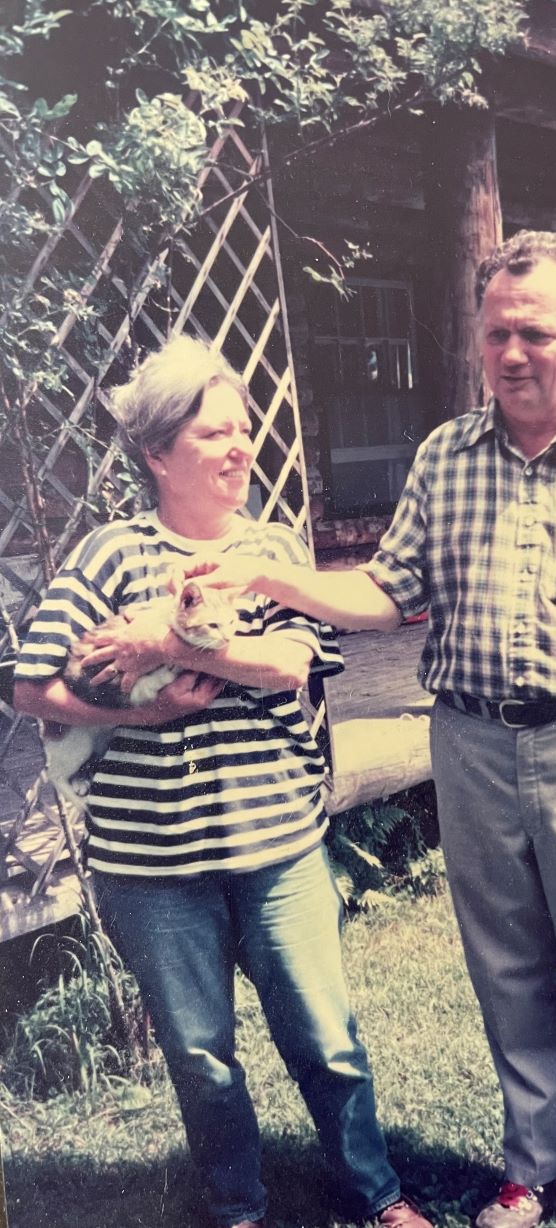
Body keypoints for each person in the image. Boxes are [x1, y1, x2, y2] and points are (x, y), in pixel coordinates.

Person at [173, 232, 556, 1226]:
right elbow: (386, 592)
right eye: (494, 333)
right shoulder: (444, 457)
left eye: (534, 332)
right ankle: (532, 1165)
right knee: (504, 962)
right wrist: (267, 574)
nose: (510, 352)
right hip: (467, 743)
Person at [13, 335, 433, 1228]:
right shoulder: (107, 556)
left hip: (276, 843)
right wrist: (138, 715)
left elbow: (290, 664)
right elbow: (25, 681)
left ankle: (377, 1195)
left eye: (244, 430)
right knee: (200, 1053)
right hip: (151, 865)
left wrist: (162, 643)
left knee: (327, 1039)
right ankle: (237, 1205)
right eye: (215, 434)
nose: (241, 447)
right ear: (159, 454)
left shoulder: (271, 551)